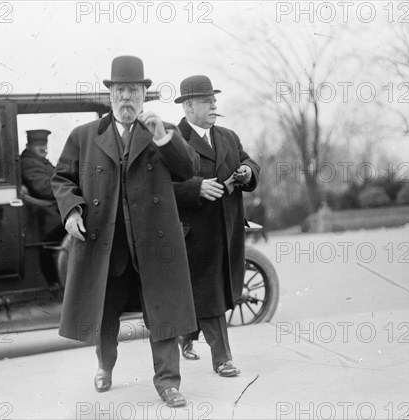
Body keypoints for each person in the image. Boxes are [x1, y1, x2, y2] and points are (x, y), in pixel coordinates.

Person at [51, 56, 199, 408]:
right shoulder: (85, 136)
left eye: (134, 90)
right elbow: (62, 179)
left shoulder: (161, 130)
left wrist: (164, 138)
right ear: (110, 95)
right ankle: (105, 366)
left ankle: (168, 383)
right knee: (104, 314)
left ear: (145, 94)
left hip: (155, 244)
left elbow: (189, 170)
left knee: (162, 314)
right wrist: (71, 209)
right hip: (107, 245)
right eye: (121, 90)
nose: (127, 97)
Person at [173, 75, 260, 377]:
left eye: (214, 99)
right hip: (195, 236)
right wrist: (194, 188)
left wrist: (248, 170)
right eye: (207, 100)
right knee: (209, 293)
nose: (214, 104)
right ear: (187, 106)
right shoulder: (174, 141)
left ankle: (187, 338)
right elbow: (155, 188)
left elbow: (249, 161)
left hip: (229, 230)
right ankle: (222, 358)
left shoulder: (228, 136)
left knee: (219, 290)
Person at [20, 129, 56, 200]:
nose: (43, 148)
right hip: (44, 208)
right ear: (28, 146)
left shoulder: (40, 161)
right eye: (38, 145)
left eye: (44, 144)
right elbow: (45, 189)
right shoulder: (29, 163)